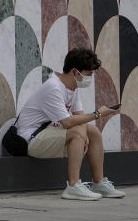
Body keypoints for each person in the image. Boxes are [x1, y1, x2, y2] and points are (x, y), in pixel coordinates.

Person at [11, 48, 125, 200]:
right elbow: (67, 122)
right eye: (88, 73)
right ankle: (73, 186)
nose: (91, 77)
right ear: (74, 72)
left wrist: (85, 135)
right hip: (30, 139)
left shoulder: (72, 88)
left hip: (48, 132)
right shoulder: (53, 87)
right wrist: (98, 114)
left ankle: (99, 183)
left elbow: (80, 116)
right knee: (77, 134)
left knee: (93, 132)